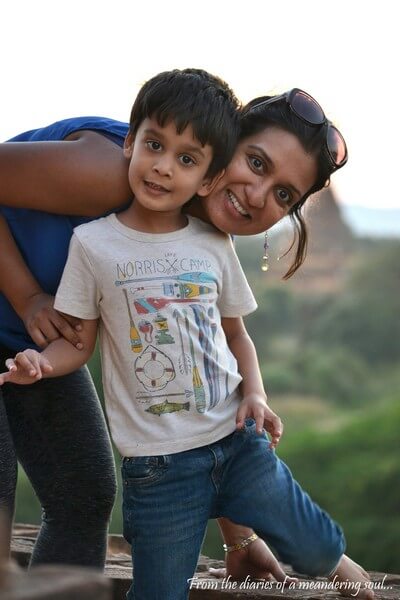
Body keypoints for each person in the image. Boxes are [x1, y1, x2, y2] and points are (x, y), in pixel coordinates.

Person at [0, 71, 374, 600]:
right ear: (221, 143)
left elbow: (193, 392)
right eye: (256, 163)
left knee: (82, 493)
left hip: (38, 349)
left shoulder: (194, 241)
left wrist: (238, 535)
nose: (257, 193)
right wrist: (27, 298)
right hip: (27, 324)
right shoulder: (117, 174)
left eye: (283, 193)